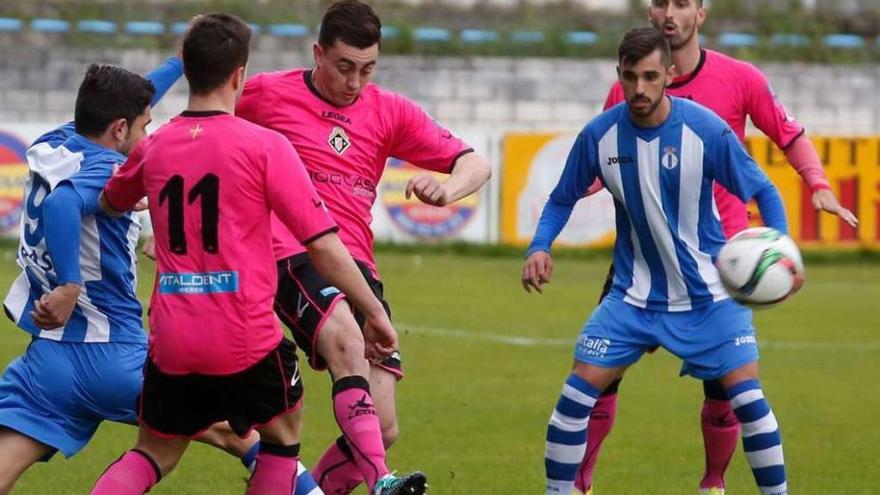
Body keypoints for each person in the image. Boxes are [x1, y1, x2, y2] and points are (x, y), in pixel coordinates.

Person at [88, 14, 423, 495]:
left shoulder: (154, 147)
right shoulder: (267, 146)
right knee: (282, 439)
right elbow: (324, 245)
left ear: (189, 71)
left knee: (153, 452)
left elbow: (109, 201)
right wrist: (373, 312)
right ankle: (375, 475)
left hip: (173, 335)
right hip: (245, 335)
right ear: (238, 75)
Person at [575, 2, 859, 494]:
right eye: (661, 1)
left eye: (681, 2)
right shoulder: (628, 88)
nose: (669, 12)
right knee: (597, 377)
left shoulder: (739, 77)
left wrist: (817, 182)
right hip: (643, 261)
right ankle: (579, 484)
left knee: (726, 391)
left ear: (700, 14)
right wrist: (582, 186)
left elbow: (787, 133)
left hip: (717, 260)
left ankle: (713, 483)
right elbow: (607, 157)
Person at [235, 1, 491, 493]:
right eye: (344, 67)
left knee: (384, 426)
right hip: (294, 253)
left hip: (357, 266)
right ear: (319, 54)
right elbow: (203, 131)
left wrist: (449, 189)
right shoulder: (268, 93)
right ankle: (384, 484)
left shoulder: (390, 109)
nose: (355, 82)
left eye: (367, 69)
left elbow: (475, 163)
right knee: (347, 345)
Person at [523, 28, 790, 495]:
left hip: (709, 294)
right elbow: (561, 199)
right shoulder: (600, 135)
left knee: (748, 398)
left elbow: (763, 189)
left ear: (670, 74)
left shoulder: (704, 129)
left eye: (650, 76)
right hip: (633, 296)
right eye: (630, 77)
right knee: (574, 394)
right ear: (619, 76)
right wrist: (539, 246)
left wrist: (781, 249)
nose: (640, 89)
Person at [0, 54, 257, 494]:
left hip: (51, 364)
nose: (148, 135)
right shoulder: (106, 169)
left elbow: (132, 100)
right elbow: (65, 204)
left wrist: (182, 60)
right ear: (119, 129)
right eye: (145, 126)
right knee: (244, 428)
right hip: (114, 356)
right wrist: (69, 284)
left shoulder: (55, 143)